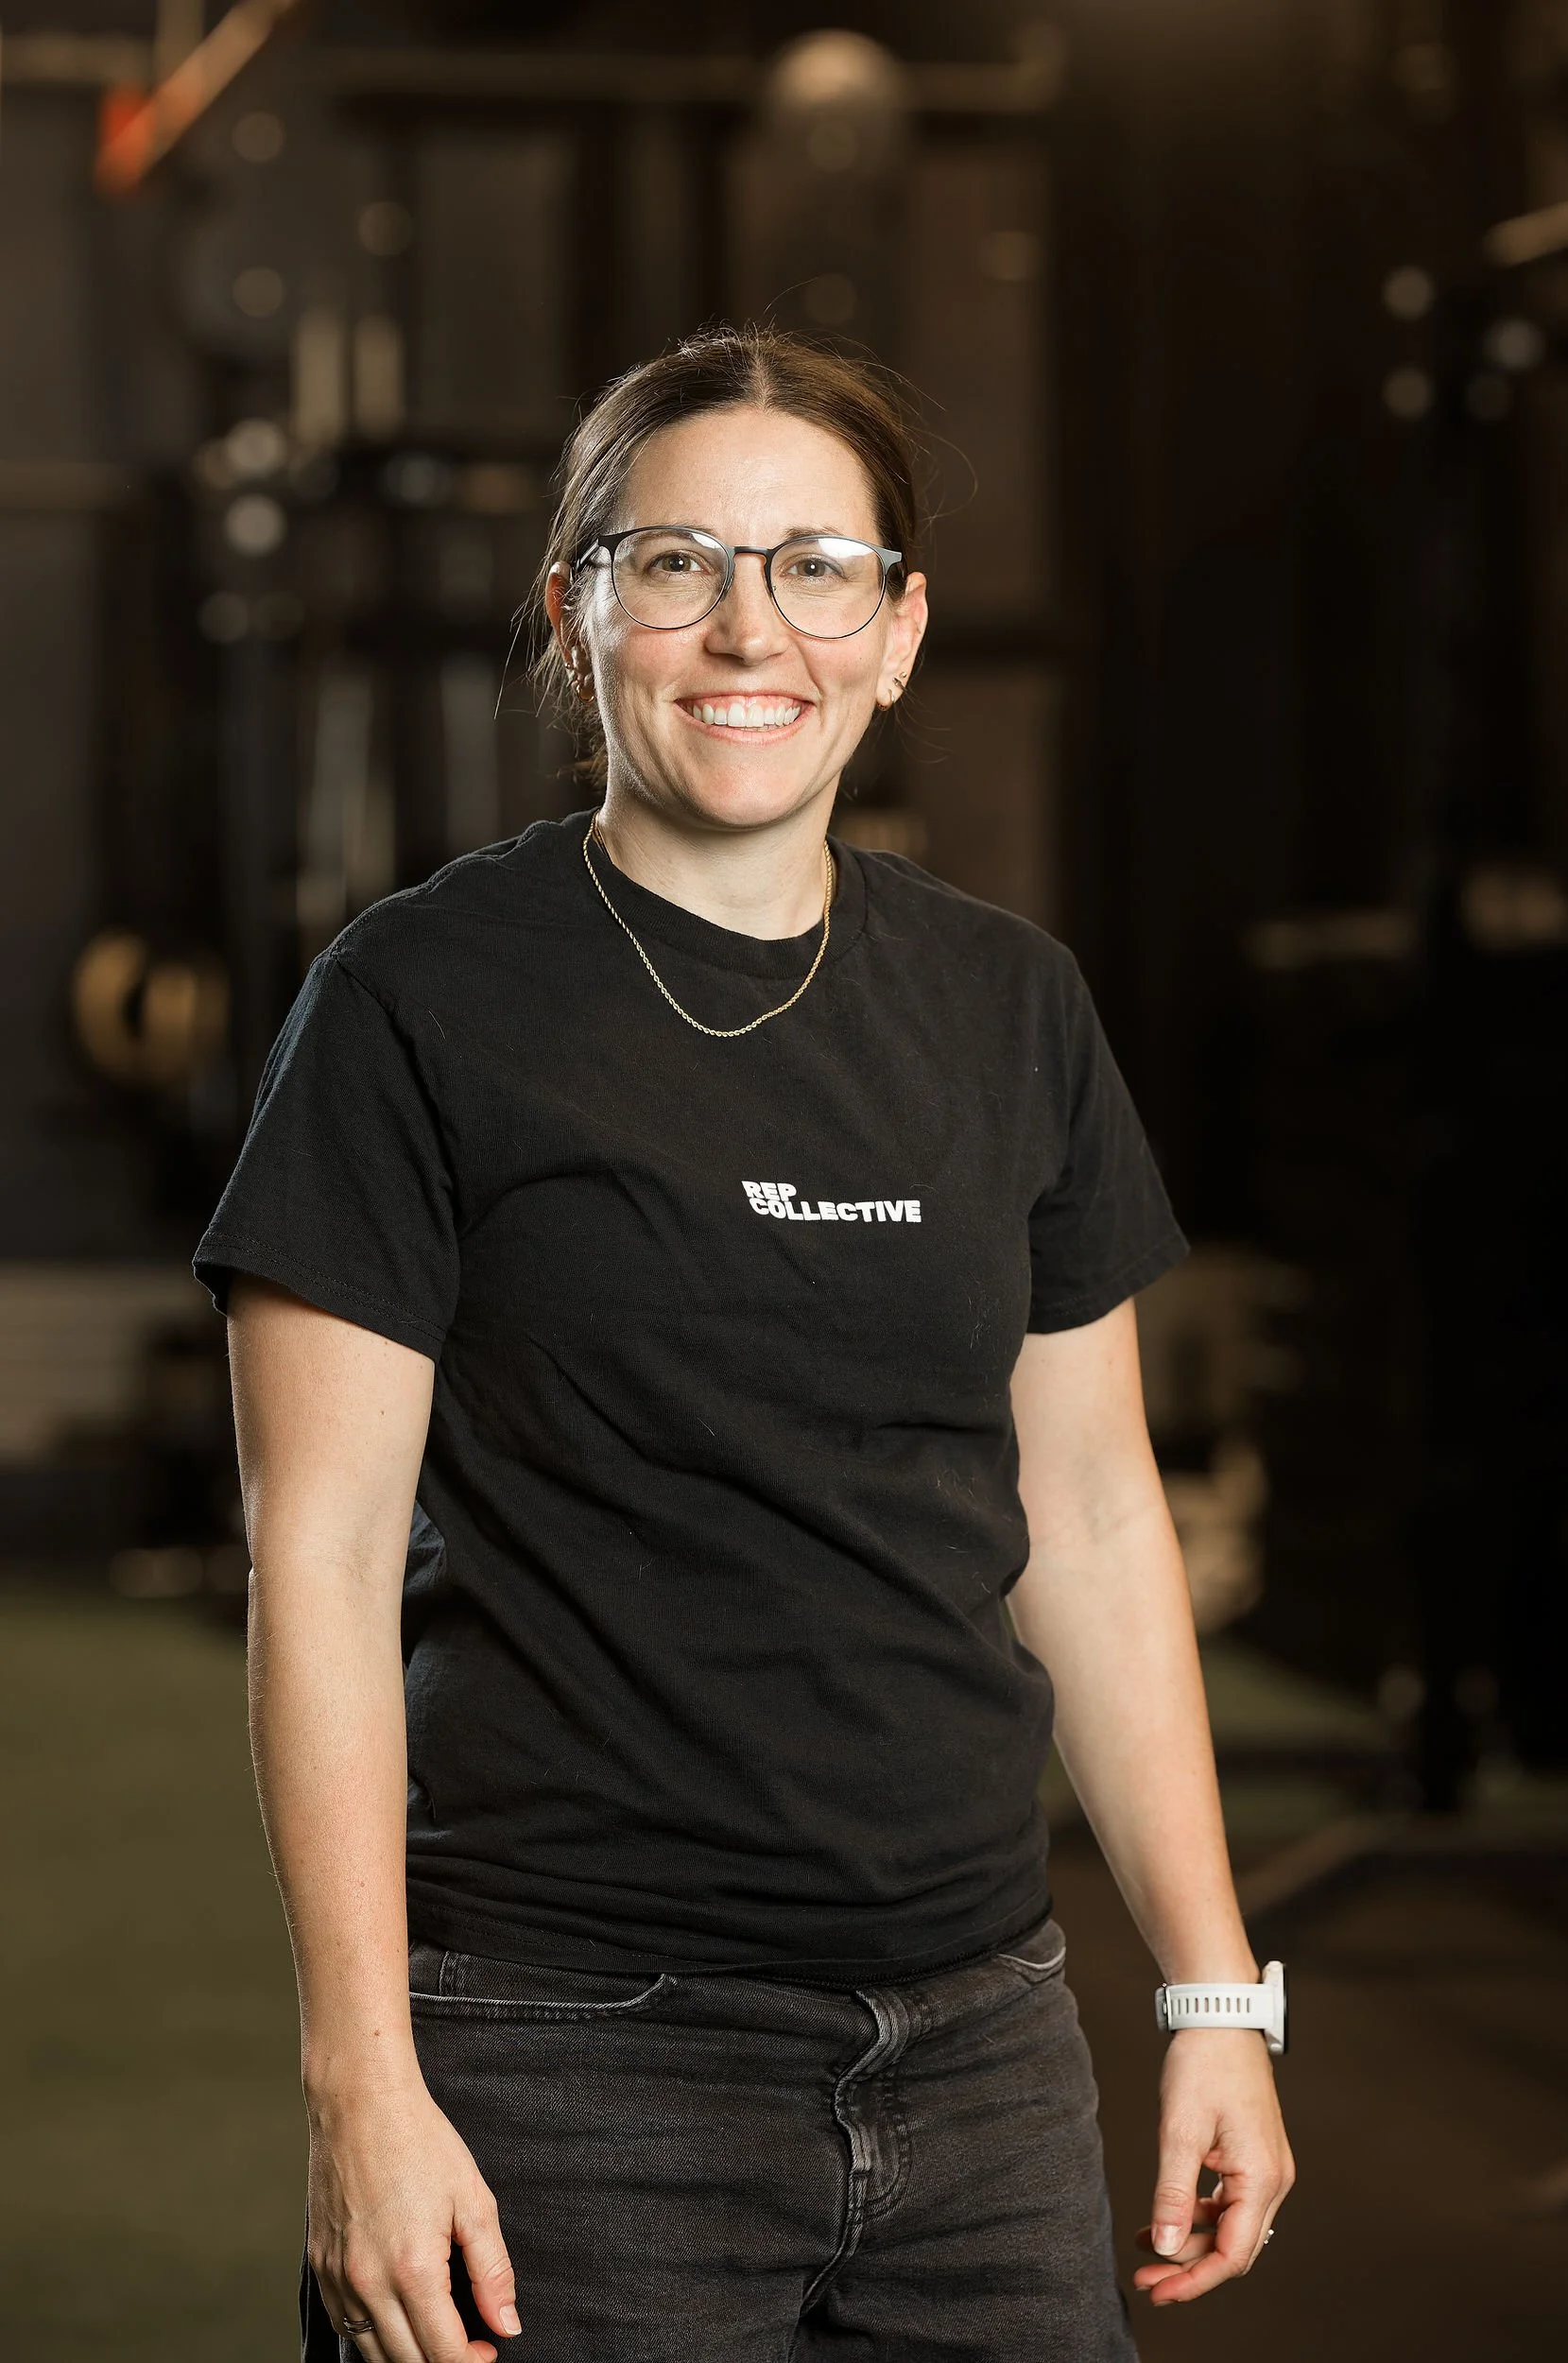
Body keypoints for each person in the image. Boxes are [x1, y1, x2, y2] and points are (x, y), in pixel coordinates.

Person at [199, 324, 1293, 2363]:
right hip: (565, 2055)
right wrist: (361, 2084)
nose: (746, 628)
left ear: (898, 632)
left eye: (815, 568)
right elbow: (321, 1561)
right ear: (574, 611)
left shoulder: (1010, 1005)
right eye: (676, 561)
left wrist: (1213, 1991)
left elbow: (1089, 1513)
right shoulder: (414, 1001)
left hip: (984, 2050)